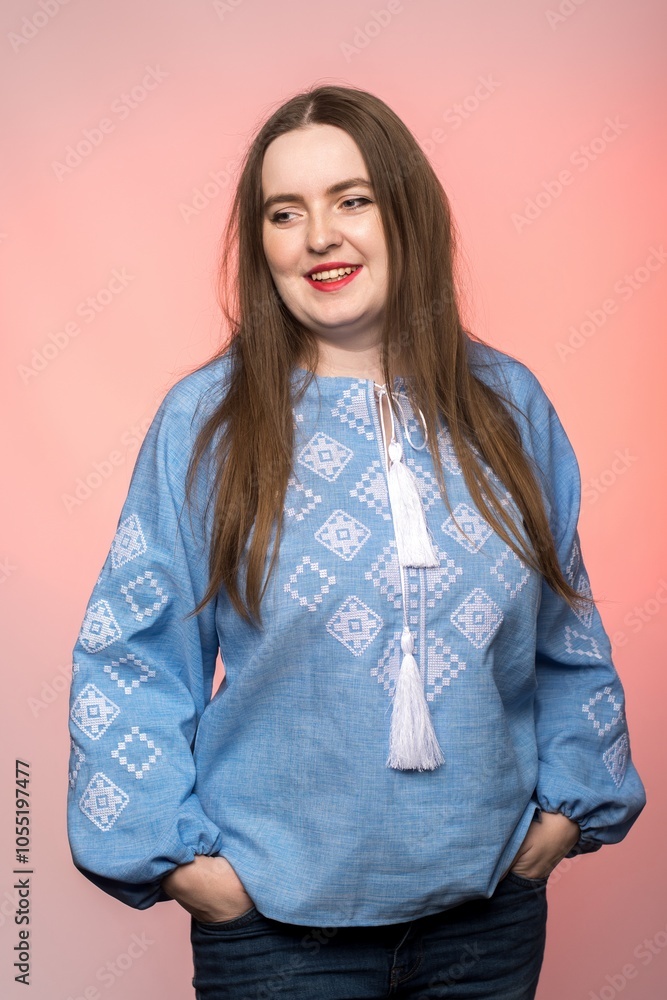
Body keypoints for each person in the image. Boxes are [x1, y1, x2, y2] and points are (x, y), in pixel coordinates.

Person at [66, 84, 646, 999]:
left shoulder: (510, 405)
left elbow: (565, 633)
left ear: (407, 211)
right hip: (275, 934)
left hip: (487, 922)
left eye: (352, 199)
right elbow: (131, 655)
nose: (318, 237)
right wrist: (184, 868)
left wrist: (565, 817)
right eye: (284, 213)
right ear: (260, 242)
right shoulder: (207, 422)